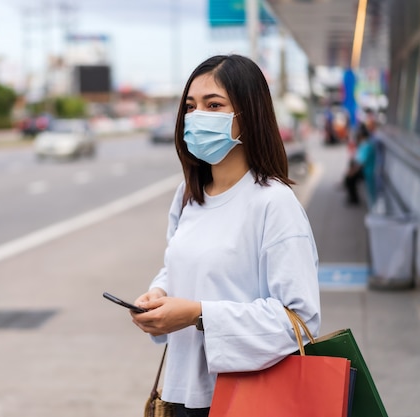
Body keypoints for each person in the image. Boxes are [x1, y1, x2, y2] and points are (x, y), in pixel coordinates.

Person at [130, 54, 321, 417]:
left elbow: (300, 319)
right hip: (180, 394)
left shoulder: (273, 203)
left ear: (247, 117)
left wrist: (197, 315)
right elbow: (178, 266)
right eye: (190, 106)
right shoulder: (188, 195)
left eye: (213, 105)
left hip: (246, 400)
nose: (196, 116)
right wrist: (159, 294)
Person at [344, 123, 377, 207]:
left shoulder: (366, 145)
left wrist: (351, 172)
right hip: (365, 170)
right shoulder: (366, 144)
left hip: (367, 171)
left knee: (350, 179)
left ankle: (354, 200)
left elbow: (360, 163)